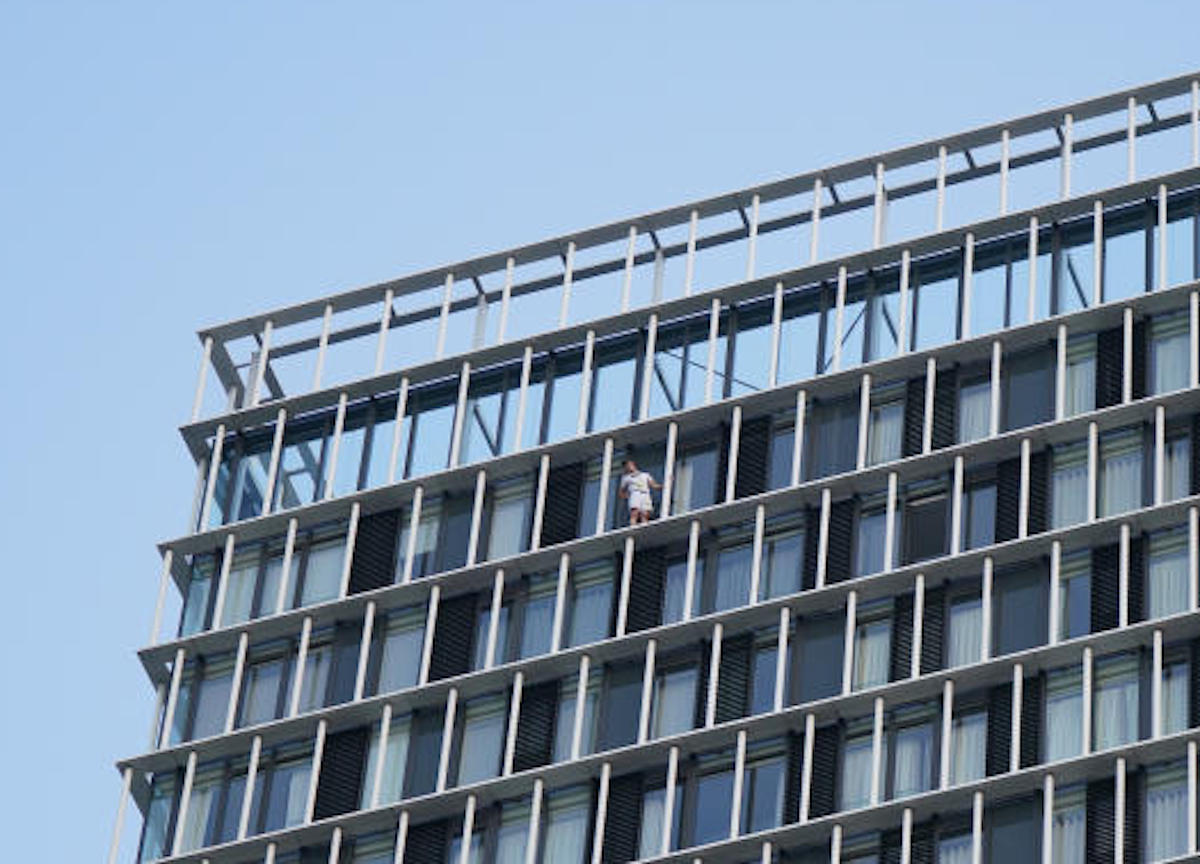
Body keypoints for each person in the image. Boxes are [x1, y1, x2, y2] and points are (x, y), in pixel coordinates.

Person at [618, 458, 661, 525]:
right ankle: (633, 527)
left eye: (629, 465)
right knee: (635, 512)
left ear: (633, 465)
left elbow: (654, 485)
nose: (628, 467)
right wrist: (628, 496)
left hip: (645, 493)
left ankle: (644, 526)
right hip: (635, 493)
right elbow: (621, 492)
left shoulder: (645, 475)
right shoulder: (626, 478)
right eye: (627, 466)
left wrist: (664, 486)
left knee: (645, 513)